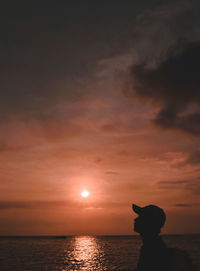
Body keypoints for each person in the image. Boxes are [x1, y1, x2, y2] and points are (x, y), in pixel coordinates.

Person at [132, 204, 170, 271]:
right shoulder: (151, 244)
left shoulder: (152, 248)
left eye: (140, 216)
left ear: (148, 221)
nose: (135, 219)